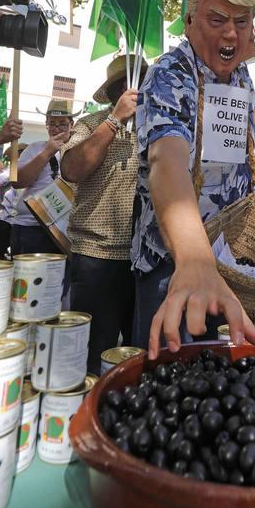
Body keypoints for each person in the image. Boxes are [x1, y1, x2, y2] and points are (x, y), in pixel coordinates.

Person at [132, 0, 255, 358]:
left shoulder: (241, 76)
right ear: (189, 21)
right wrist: (193, 258)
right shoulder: (169, 73)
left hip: (226, 257)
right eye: (217, 21)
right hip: (175, 265)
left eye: (242, 22)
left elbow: (238, 126)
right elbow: (168, 158)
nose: (231, 33)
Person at [61, 56, 146, 374]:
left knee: (138, 354)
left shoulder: (157, 128)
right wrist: (114, 122)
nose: (133, 90)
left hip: (144, 261)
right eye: (123, 85)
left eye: (139, 82)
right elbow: (71, 169)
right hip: (97, 258)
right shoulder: (90, 124)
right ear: (113, 92)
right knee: (94, 354)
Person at [10, 100, 74, 257]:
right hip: (31, 227)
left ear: (71, 124)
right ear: (46, 124)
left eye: (62, 124)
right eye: (52, 124)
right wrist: (47, 152)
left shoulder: (79, 150)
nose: (57, 128)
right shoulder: (35, 148)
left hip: (65, 229)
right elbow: (18, 182)